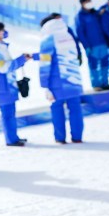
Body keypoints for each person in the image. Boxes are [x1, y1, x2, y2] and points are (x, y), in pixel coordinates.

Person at [37, 13, 84, 144]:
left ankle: (60, 137)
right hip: (73, 79)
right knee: (75, 108)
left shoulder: (48, 40)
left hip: (56, 81)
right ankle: (77, 136)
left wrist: (44, 84)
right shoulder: (68, 36)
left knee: (57, 109)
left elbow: (45, 62)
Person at [0, 21, 31, 146]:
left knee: (11, 113)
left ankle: (13, 137)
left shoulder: (0, 47)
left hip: (8, 86)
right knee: (7, 115)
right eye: (1, 30)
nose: (4, 33)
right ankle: (11, 140)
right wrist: (21, 60)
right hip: (1, 88)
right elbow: (3, 68)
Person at [75, 0, 109, 91]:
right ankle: (96, 84)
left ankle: (105, 83)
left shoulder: (95, 13)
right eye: (87, 2)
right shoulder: (80, 16)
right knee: (94, 65)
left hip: (102, 43)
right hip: (92, 46)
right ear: (82, 4)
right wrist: (86, 46)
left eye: (90, 1)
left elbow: (105, 8)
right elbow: (80, 33)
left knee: (105, 63)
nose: (89, 4)